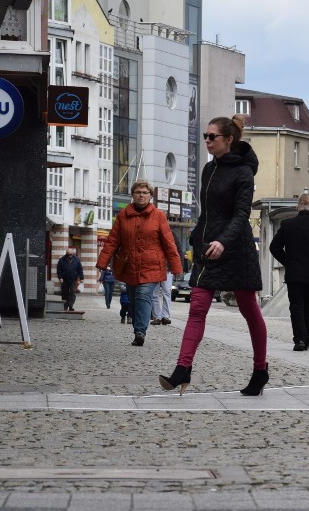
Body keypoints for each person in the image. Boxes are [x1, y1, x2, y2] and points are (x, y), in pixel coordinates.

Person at [159, 115, 268, 396]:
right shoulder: (209, 169)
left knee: (249, 309)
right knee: (197, 308)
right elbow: (207, 212)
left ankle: (260, 369)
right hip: (208, 246)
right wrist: (199, 235)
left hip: (236, 247)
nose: (206, 140)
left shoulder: (244, 172)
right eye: (205, 136)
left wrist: (224, 240)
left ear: (228, 140)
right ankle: (183, 368)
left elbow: (242, 213)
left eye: (212, 137)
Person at [96, 179, 183, 346]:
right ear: (133, 195)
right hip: (129, 265)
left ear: (150, 196)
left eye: (144, 192)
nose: (141, 195)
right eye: (138, 192)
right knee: (133, 299)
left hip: (152, 266)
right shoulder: (123, 216)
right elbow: (112, 241)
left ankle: (140, 332)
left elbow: (169, 243)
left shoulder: (158, 216)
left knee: (143, 296)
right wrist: (102, 262)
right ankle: (138, 327)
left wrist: (176, 266)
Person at [269, 193, 309, 351]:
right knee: (308, 306)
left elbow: (274, 247)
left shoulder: (287, 224)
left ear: (297, 207)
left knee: (296, 306)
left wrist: (288, 262)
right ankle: (305, 338)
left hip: (294, 273)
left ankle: (299, 339)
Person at [57, 247, 84, 312]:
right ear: (66, 254)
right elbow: (59, 270)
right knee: (65, 293)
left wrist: (81, 277)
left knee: (72, 292)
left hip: (73, 278)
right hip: (64, 279)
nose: (70, 256)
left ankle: (71, 305)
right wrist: (60, 277)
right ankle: (65, 306)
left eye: (71, 254)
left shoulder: (76, 259)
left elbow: (80, 269)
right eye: (69, 254)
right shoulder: (62, 260)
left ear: (73, 254)